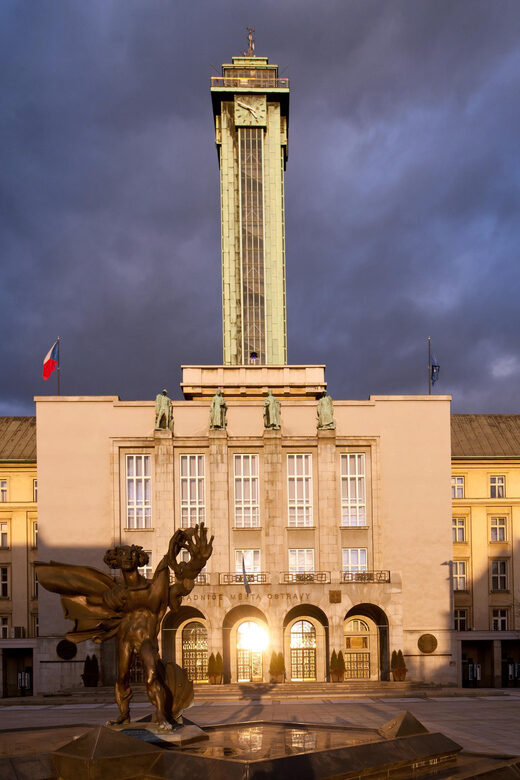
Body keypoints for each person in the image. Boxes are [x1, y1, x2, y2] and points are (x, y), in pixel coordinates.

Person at [35, 524, 213, 730]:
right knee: (121, 678)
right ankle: (123, 715)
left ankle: (161, 713)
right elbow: (98, 606)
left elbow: (182, 588)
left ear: (138, 559)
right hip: (125, 638)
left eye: (131, 554)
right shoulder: (115, 593)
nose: (127, 557)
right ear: (116, 561)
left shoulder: (153, 587)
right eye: (122, 555)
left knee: (152, 674)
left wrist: (197, 563)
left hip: (146, 638)